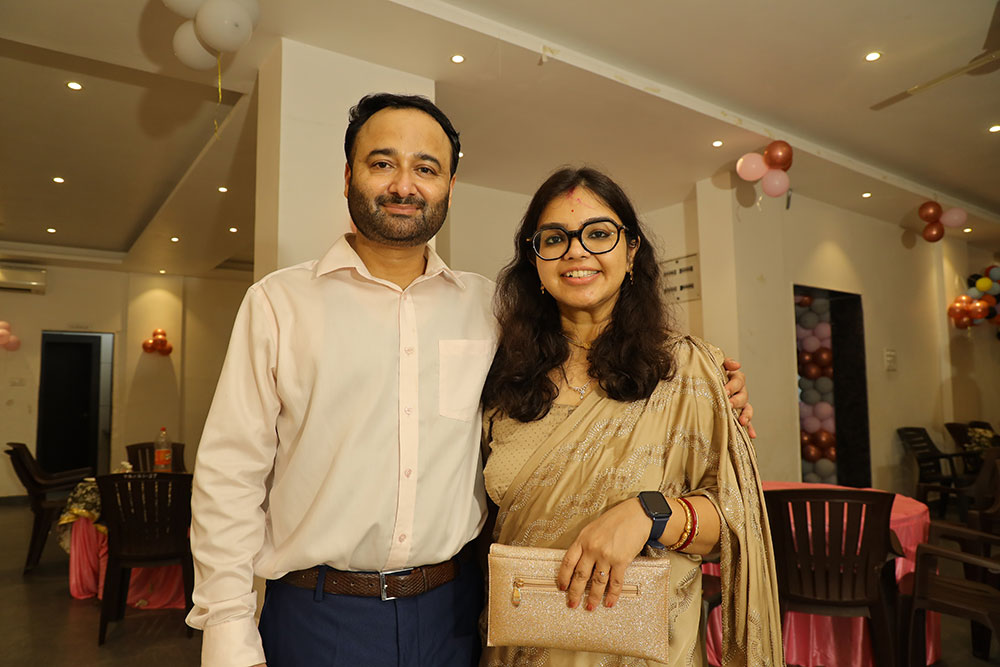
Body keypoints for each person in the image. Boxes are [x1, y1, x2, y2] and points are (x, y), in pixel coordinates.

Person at [186, 93, 756, 667]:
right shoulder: (280, 304)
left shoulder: (488, 311)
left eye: (426, 168)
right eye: (382, 163)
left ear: (449, 186)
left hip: (455, 617)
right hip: (321, 614)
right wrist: (227, 632)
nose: (404, 185)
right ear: (348, 176)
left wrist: (718, 395)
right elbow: (230, 474)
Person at [480, 167, 783, 666]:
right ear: (534, 259)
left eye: (599, 234)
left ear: (632, 250)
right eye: (554, 238)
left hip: (646, 651)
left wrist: (649, 514)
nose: (577, 251)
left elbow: (738, 521)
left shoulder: (688, 370)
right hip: (520, 647)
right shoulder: (500, 376)